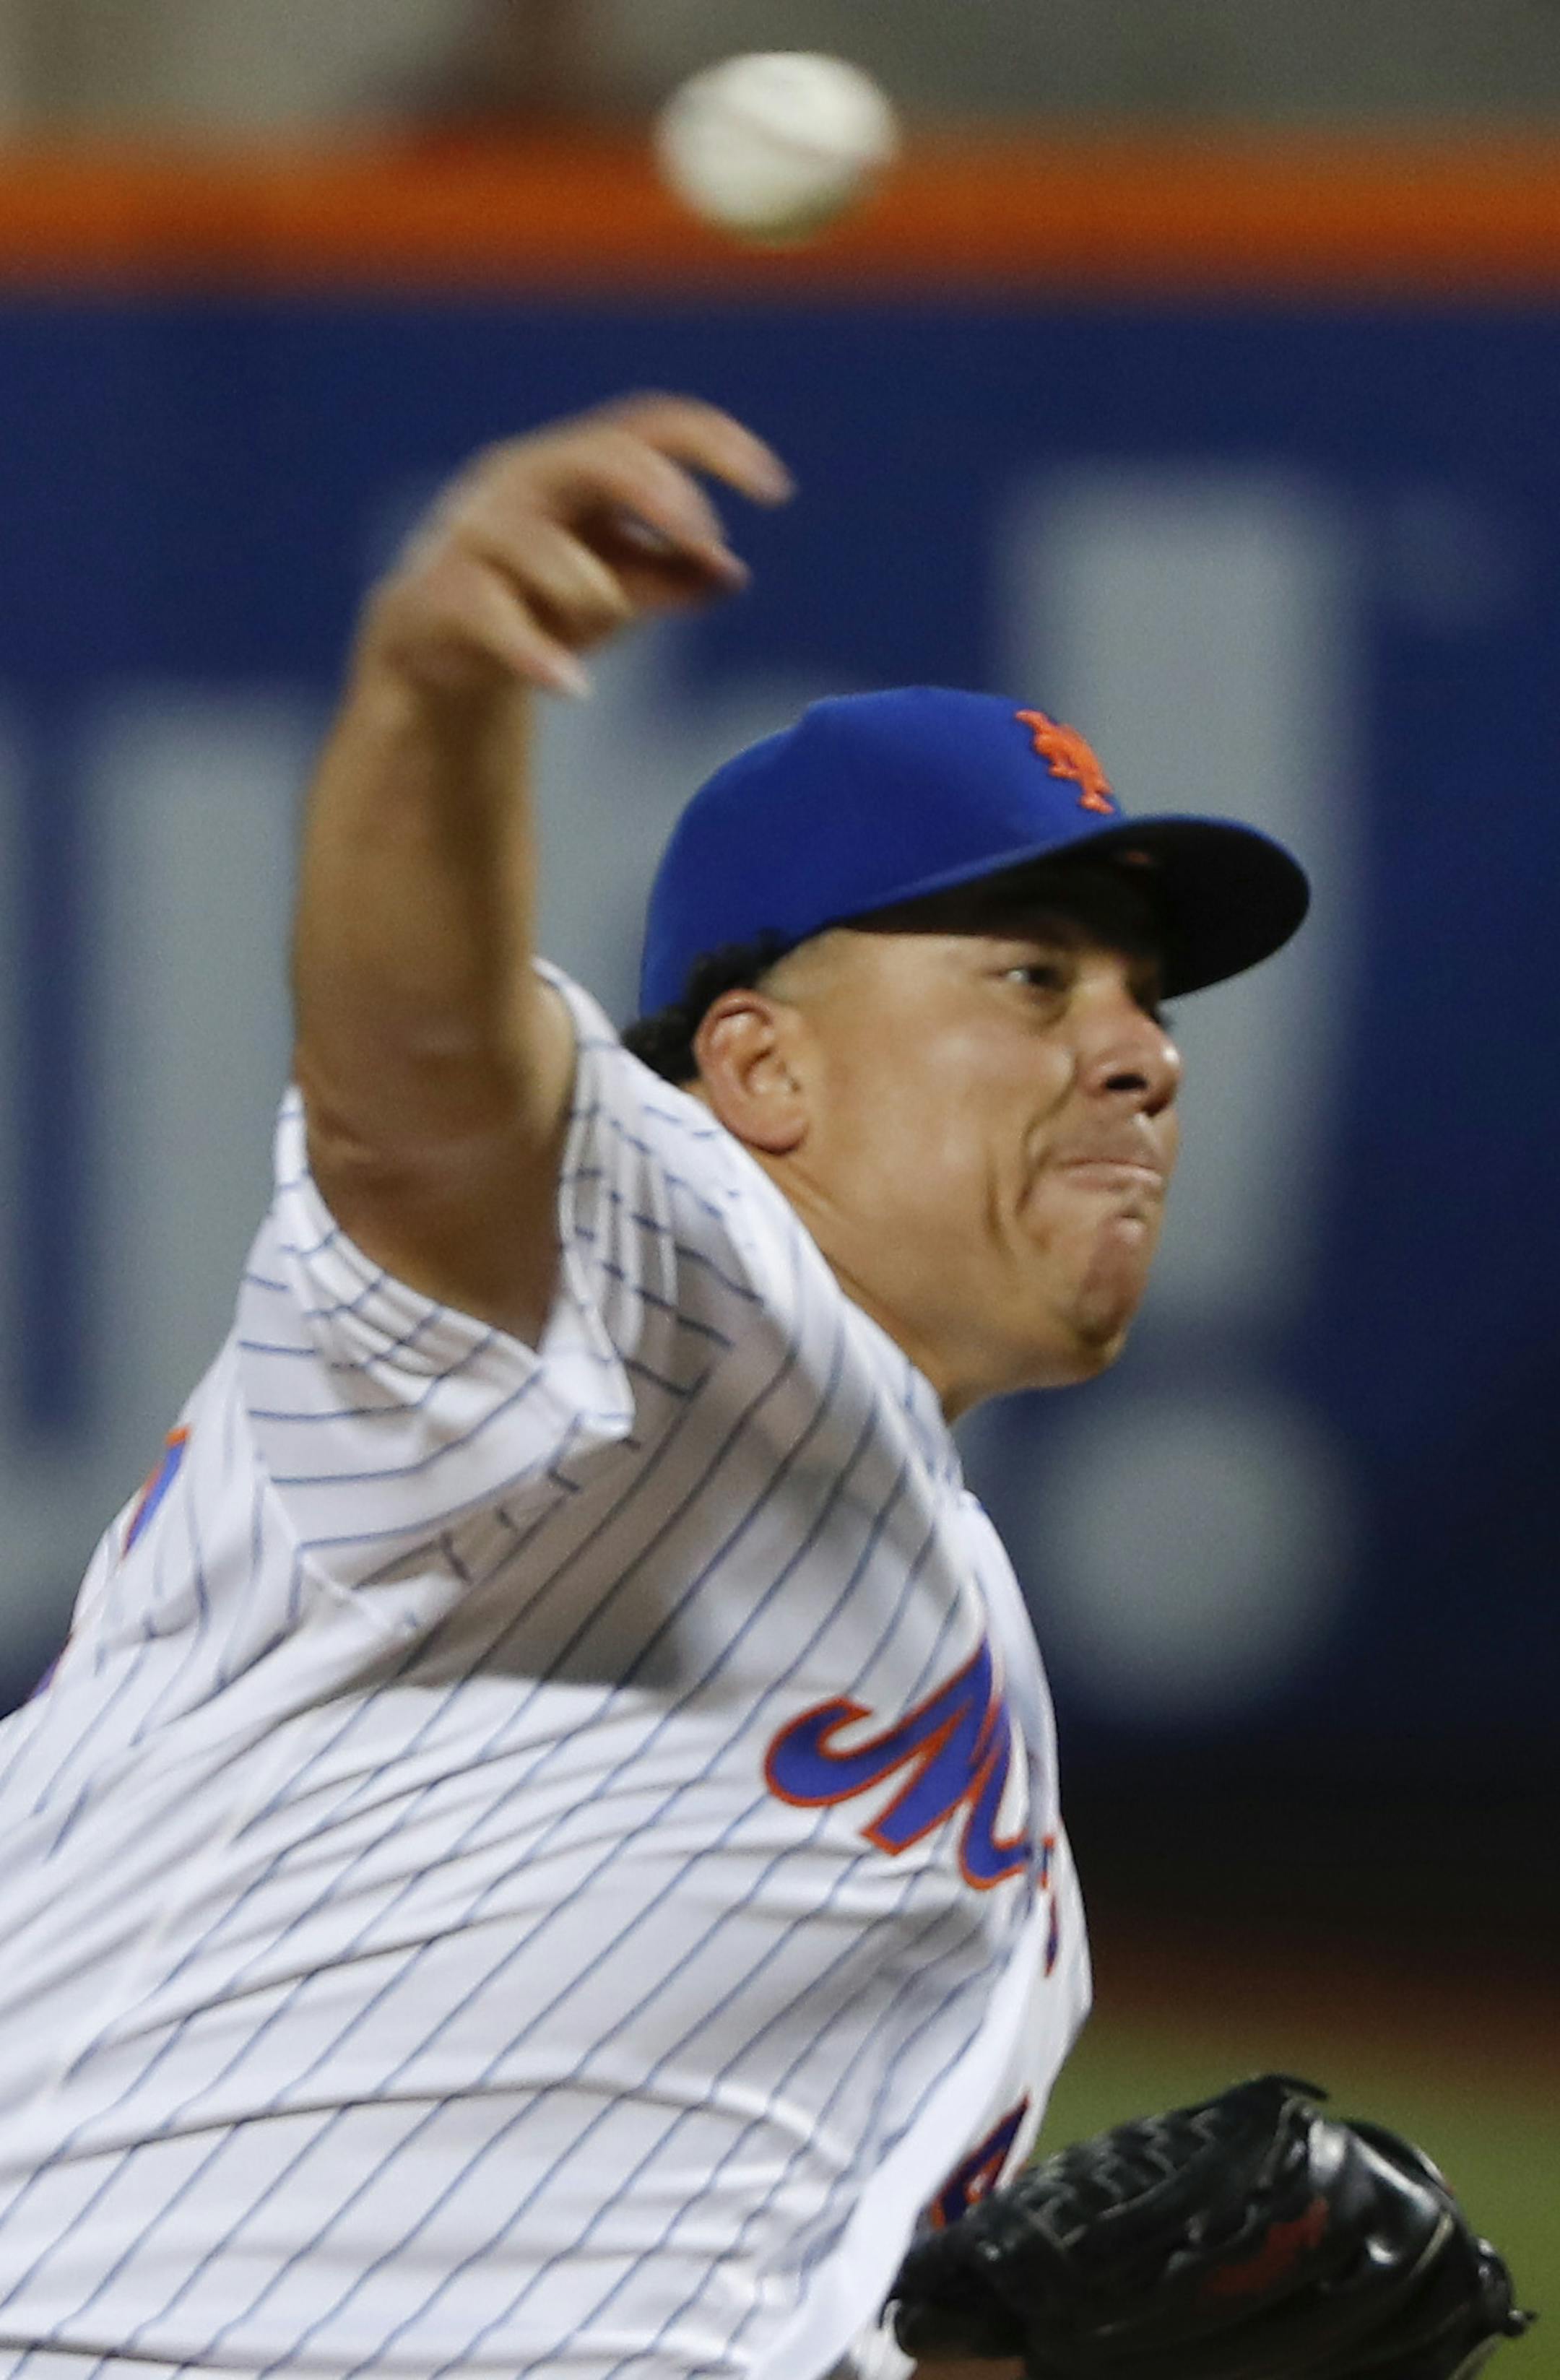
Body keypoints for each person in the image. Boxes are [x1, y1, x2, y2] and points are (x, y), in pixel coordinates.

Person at [0, 394, 1308, 2380]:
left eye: (1147, 1001)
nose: (1141, 1055)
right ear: (762, 1069)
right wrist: (431, 708)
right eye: (1033, 979)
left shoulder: (961, 1664)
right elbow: (424, 1115)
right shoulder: (664, 1283)